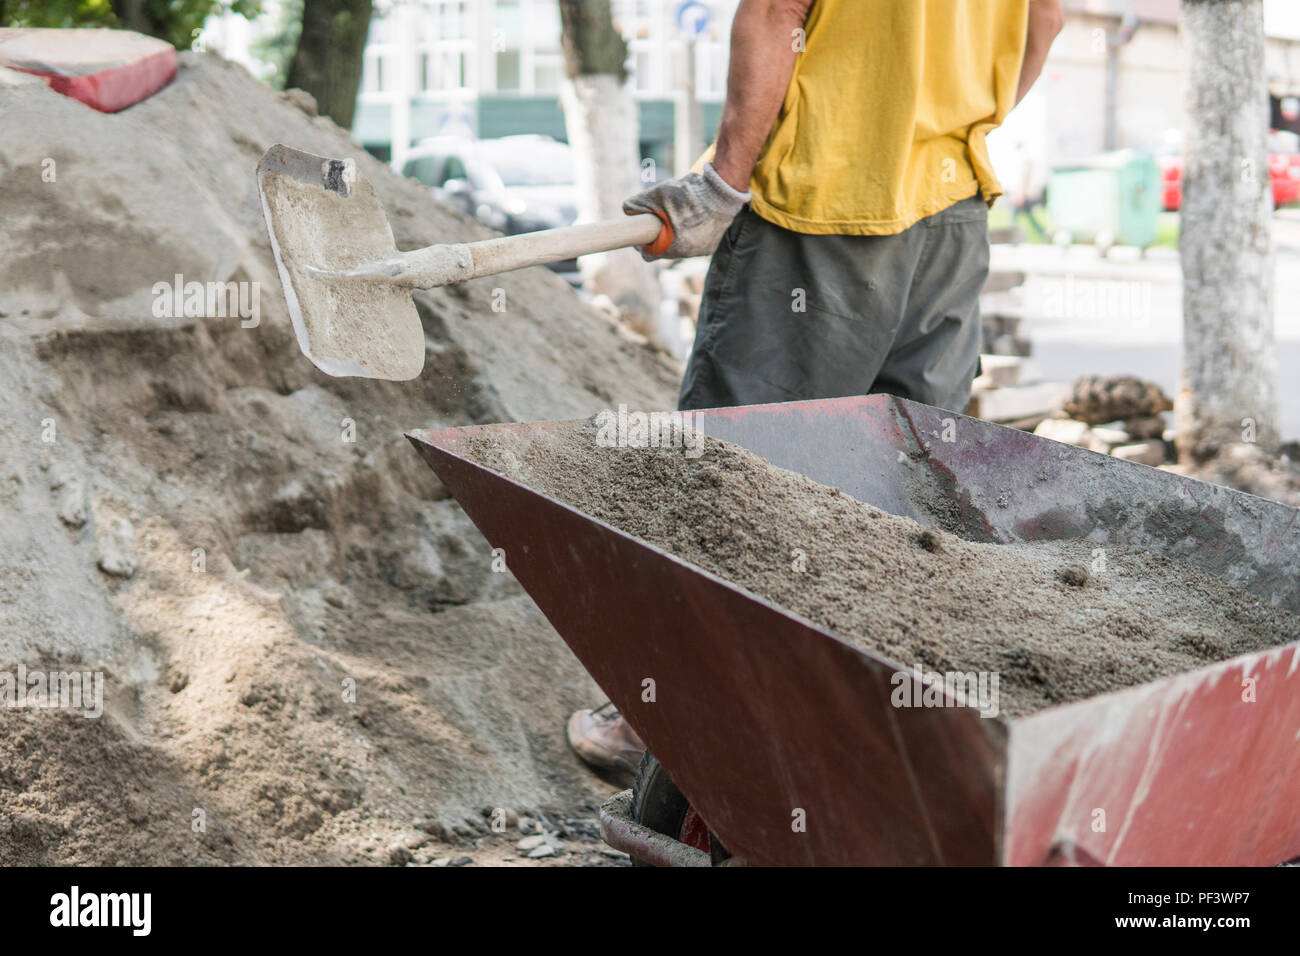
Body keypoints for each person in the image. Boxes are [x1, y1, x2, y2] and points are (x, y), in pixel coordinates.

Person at [567, 0, 1064, 775]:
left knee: (737, 480)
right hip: (951, 221)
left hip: (825, 202)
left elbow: (774, 10)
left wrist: (723, 184)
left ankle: (674, 722)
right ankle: (850, 727)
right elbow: (1045, 24)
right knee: (900, 503)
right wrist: (948, 133)